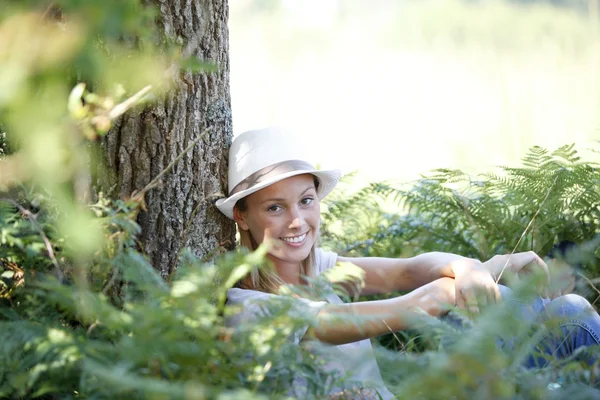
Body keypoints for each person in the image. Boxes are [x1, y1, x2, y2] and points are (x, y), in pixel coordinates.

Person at [216, 127, 600, 399]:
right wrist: (440, 294)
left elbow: (409, 269)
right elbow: (335, 322)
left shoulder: (322, 269)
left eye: (305, 200)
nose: (297, 221)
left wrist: (471, 267)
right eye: (274, 208)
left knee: (570, 309)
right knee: (569, 320)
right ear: (243, 217)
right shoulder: (247, 306)